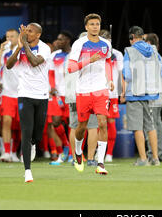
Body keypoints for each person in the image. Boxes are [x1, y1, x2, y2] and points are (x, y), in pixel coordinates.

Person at [67, 13, 114, 175]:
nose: (95, 27)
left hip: (101, 90)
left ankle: (100, 163)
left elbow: (107, 61)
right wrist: (89, 60)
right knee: (82, 126)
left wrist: (110, 79)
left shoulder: (106, 44)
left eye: (97, 24)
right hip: (83, 91)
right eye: (92, 24)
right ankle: (79, 152)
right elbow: (71, 68)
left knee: (102, 123)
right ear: (86, 27)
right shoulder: (79, 44)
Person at [6, 23, 51, 183]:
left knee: (37, 134)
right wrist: (18, 48)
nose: (26, 33)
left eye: (30, 31)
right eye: (26, 30)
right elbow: (9, 65)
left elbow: (34, 61)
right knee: (26, 131)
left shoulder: (45, 48)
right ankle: (27, 171)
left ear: (38, 34)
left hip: (42, 95)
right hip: (24, 94)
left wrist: (23, 43)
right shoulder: (21, 46)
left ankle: (33, 144)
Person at [121, 26, 162, 166]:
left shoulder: (130, 51)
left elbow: (127, 74)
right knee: (150, 126)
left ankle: (143, 159)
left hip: (134, 93)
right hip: (150, 93)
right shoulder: (154, 51)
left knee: (137, 127)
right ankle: (155, 158)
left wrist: (123, 92)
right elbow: (161, 72)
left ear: (132, 37)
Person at [65, 31, 100, 166]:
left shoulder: (70, 55)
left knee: (75, 126)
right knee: (92, 127)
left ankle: (75, 158)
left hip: (73, 95)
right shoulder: (94, 57)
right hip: (87, 94)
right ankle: (90, 159)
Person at [0, 29, 21, 163]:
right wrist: (0, 51)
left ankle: (15, 152)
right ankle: (7, 152)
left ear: (18, 37)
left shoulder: (23, 51)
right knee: (7, 122)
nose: (9, 39)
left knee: (20, 126)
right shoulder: (4, 54)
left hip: (22, 93)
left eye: (12, 36)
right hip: (8, 94)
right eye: (7, 36)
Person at [47, 31, 73, 164]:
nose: (57, 42)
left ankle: (73, 154)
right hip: (57, 95)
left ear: (68, 40)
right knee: (56, 122)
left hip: (72, 94)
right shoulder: (54, 56)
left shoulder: (76, 54)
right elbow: (50, 73)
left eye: (61, 39)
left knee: (71, 123)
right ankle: (66, 146)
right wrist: (51, 86)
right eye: (57, 39)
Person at [144, 33, 162, 162]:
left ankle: (153, 154)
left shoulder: (150, 57)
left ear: (148, 44)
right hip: (159, 95)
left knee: (151, 125)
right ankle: (160, 153)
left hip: (153, 96)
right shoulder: (158, 56)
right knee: (157, 124)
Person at [99, 29, 123, 163]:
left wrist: (123, 91)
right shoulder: (95, 53)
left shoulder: (117, 54)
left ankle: (109, 153)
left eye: (108, 40)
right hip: (97, 92)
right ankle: (99, 151)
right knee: (98, 123)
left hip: (112, 93)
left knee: (110, 122)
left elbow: (121, 75)